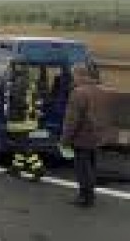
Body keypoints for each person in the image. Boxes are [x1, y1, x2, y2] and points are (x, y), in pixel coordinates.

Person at [61, 64, 113, 208]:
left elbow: (71, 120)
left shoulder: (78, 93)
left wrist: (64, 140)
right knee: (91, 166)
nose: (73, 79)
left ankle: (85, 197)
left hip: (82, 137)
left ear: (79, 75)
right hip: (97, 135)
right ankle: (90, 195)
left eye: (74, 76)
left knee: (82, 169)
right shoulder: (102, 90)